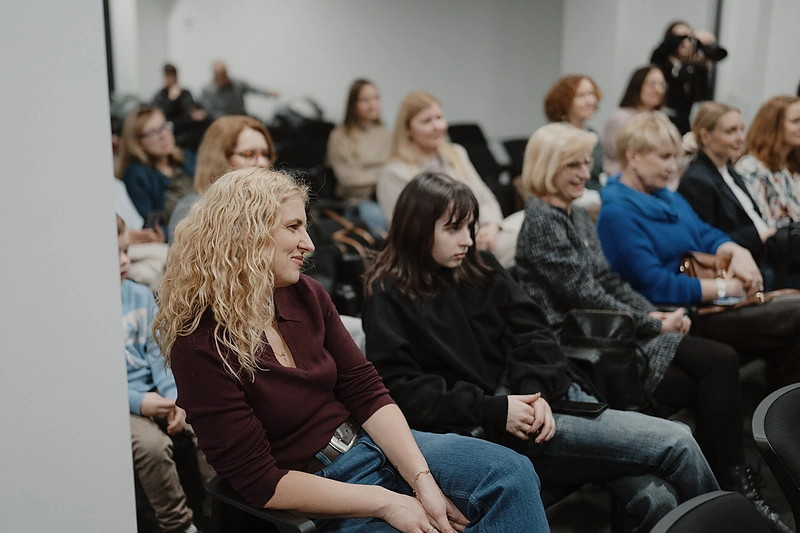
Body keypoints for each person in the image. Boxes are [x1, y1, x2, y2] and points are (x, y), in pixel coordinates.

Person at [154, 168, 549, 532]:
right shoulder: (198, 342)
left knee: (510, 474)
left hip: (369, 443)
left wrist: (421, 480)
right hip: (316, 488)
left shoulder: (306, 294)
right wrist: (388, 502)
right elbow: (261, 482)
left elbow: (367, 391)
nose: (309, 244)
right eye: (293, 227)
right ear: (245, 233)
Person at [363, 172, 720, 533]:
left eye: (470, 227)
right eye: (454, 229)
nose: (467, 240)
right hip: (491, 429)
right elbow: (403, 390)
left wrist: (535, 391)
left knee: (656, 499)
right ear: (418, 229)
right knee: (677, 440)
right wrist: (496, 408)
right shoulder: (388, 294)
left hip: (544, 404)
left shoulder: (480, 268)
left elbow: (536, 334)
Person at [512, 122, 789, 529]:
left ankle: (725, 494)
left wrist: (654, 316)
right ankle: (728, 497)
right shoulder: (542, 221)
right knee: (716, 366)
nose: (584, 173)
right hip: (579, 349)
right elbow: (582, 296)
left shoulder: (574, 213)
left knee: (715, 369)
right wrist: (652, 323)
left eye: (586, 163)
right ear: (548, 166)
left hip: (607, 334)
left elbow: (607, 282)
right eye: (573, 165)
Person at [597, 112, 800, 391]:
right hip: (682, 312)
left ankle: (779, 406)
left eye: (674, 157)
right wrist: (725, 288)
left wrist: (736, 251)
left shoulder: (666, 196)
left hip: (708, 300)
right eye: (664, 157)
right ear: (633, 157)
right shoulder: (617, 212)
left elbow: (704, 233)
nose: (673, 167)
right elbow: (655, 284)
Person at [118, 215, 213, 533]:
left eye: (125, 251)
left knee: (205, 423)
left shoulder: (140, 295)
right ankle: (179, 525)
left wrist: (174, 398)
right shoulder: (83, 312)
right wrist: (140, 402)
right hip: (123, 404)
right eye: (114, 254)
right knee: (152, 447)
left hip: (158, 394)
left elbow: (158, 353)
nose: (124, 261)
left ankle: (220, 512)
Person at [377, 91, 516, 263]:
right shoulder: (394, 173)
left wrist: (491, 227)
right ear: (407, 130)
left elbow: (486, 200)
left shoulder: (457, 153)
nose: (437, 126)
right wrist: (468, 238)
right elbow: (408, 232)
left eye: (439, 118)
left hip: (482, 238)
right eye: (426, 121)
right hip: (441, 255)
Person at [678, 102, 800, 290]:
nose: (740, 138)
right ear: (705, 136)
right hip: (739, 267)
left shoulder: (727, 170)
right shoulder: (697, 180)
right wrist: (760, 235)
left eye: (742, 130)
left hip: (763, 256)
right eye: (730, 131)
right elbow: (704, 239)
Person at [168, 115, 276, 239]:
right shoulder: (191, 211)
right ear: (219, 159)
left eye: (266, 154)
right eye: (248, 154)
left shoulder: (278, 205)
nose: (262, 163)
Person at [116, 105, 196, 240]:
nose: (163, 135)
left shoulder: (187, 158)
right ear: (138, 143)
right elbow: (151, 227)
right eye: (153, 133)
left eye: (164, 127)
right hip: (177, 240)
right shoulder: (137, 174)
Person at [327, 79, 392, 235]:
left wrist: (374, 174)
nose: (372, 105)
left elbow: (395, 169)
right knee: (386, 226)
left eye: (376, 98)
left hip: (387, 196)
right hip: (358, 202)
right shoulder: (340, 136)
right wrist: (382, 174)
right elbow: (348, 179)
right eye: (365, 100)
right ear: (353, 104)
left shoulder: (387, 134)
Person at [650, 21, 727, 134]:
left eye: (689, 39)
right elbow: (660, 52)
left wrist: (702, 69)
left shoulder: (691, 68)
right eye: (680, 37)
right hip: (657, 120)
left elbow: (702, 96)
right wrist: (692, 34)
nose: (684, 42)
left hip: (682, 124)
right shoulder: (662, 61)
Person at [734, 95, 800, 226]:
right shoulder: (750, 168)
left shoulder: (791, 165)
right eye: (795, 121)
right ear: (773, 126)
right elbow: (761, 224)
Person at [602, 66, 668, 176]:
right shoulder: (620, 118)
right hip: (622, 175)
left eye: (662, 85)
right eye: (652, 84)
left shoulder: (661, 118)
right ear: (638, 84)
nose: (659, 90)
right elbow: (615, 155)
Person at [543, 75, 604, 189]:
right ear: (565, 101)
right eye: (581, 95)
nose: (590, 101)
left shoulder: (592, 133)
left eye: (591, 94)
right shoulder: (556, 136)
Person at [151, 63, 210, 152]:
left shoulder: (185, 93)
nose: (171, 79)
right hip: (174, 128)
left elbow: (191, 108)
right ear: (165, 77)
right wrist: (171, 99)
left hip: (187, 126)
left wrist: (199, 113)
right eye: (169, 76)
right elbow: (161, 115)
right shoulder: (160, 96)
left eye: (173, 76)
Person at [200, 60, 279, 119]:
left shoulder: (238, 84)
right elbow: (208, 109)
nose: (223, 78)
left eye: (224, 74)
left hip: (241, 116)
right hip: (221, 120)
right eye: (220, 75)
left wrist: (268, 93)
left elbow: (254, 89)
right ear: (215, 76)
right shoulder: (207, 90)